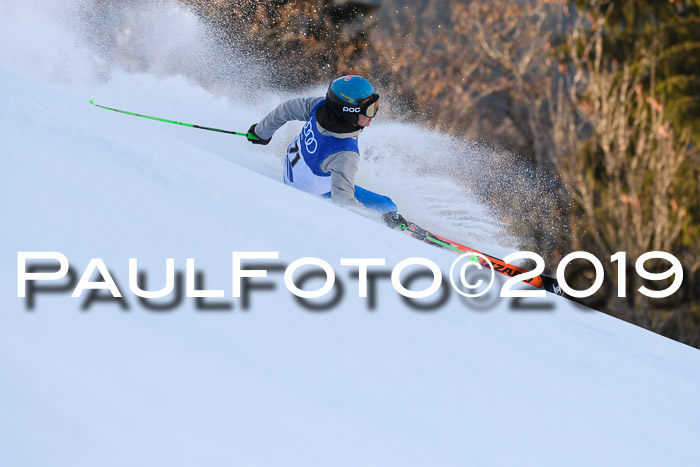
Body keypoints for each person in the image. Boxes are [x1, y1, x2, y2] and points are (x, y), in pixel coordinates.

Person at [246, 75, 406, 228]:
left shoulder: (320, 107)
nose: (373, 116)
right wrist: (378, 219)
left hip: (292, 169)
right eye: (369, 110)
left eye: (375, 106)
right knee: (388, 206)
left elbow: (286, 109)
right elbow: (344, 203)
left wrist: (261, 132)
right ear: (348, 111)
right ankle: (394, 221)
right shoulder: (345, 153)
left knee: (342, 178)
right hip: (307, 191)